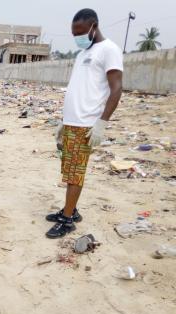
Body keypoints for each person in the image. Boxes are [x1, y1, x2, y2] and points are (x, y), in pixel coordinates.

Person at [46, 9, 123, 238]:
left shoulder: (109, 50)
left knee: (75, 174)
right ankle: (71, 209)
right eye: (74, 33)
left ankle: (67, 220)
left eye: (80, 32)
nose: (77, 37)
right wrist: (63, 120)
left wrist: (102, 123)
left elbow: (116, 88)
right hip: (71, 123)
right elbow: (79, 88)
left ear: (94, 26)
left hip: (86, 124)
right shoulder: (82, 54)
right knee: (68, 171)